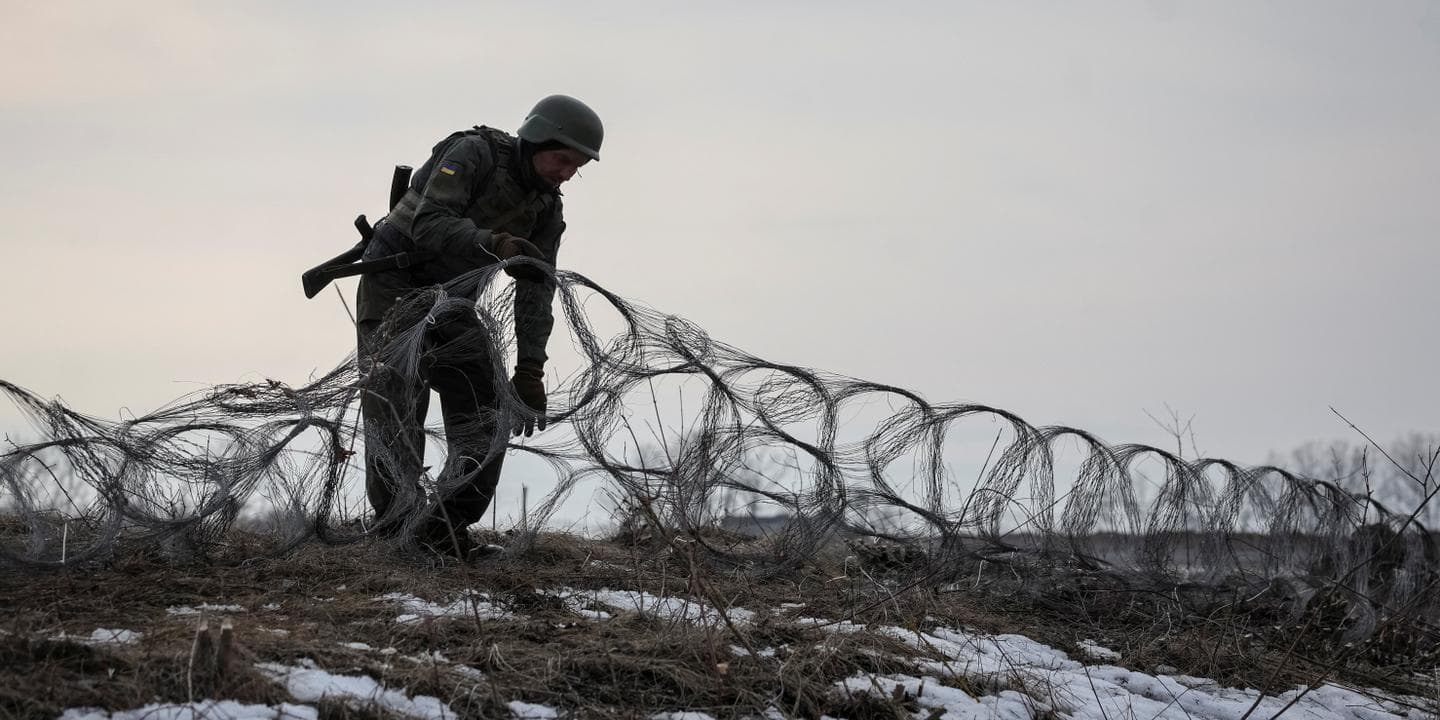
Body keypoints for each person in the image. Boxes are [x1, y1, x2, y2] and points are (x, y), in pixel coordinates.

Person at [353, 94, 602, 559]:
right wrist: (496, 244)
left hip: (453, 305)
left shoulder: (546, 209)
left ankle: (441, 534)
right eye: (562, 158)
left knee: (490, 413)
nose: (567, 172)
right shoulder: (473, 154)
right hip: (395, 287)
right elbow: (428, 223)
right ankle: (396, 535)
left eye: (578, 166)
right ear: (536, 140)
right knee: (397, 407)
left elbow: (536, 288)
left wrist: (529, 371)